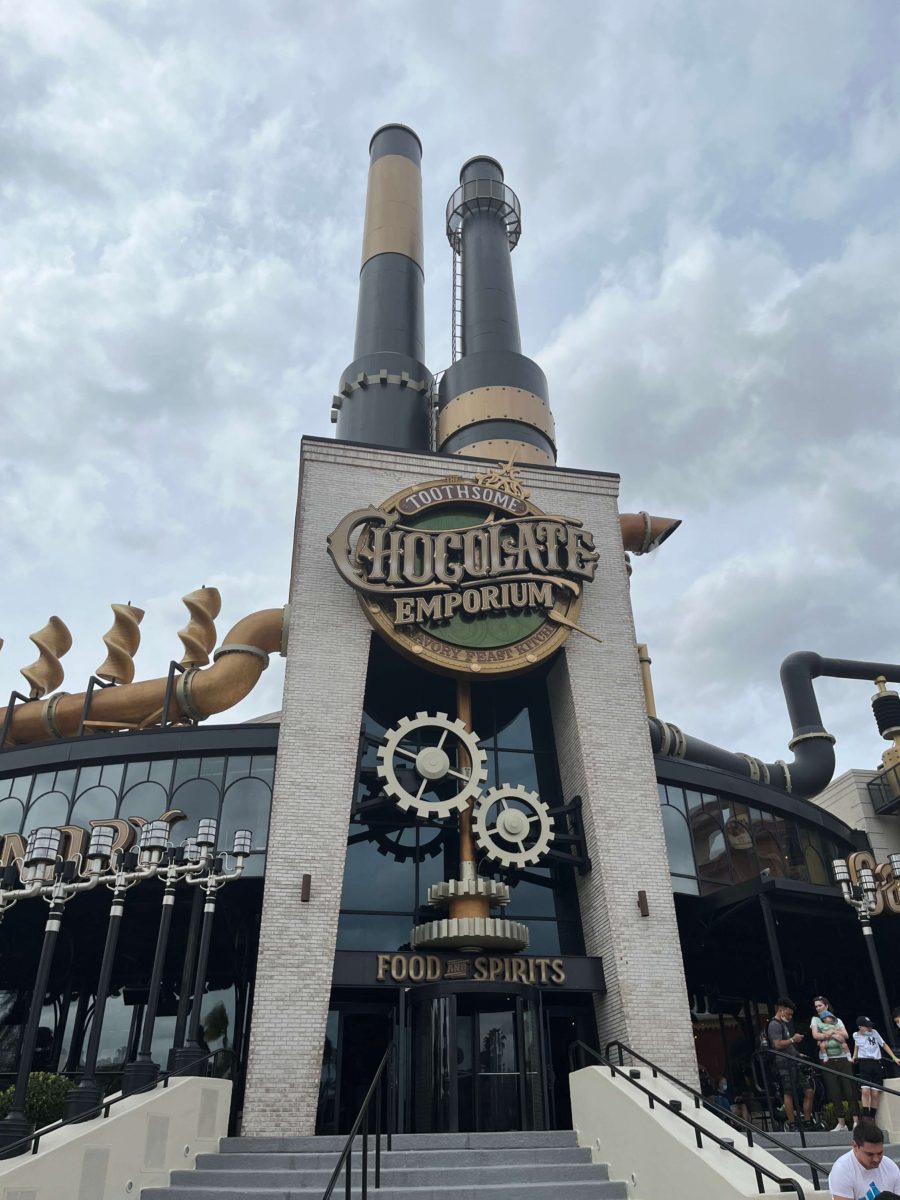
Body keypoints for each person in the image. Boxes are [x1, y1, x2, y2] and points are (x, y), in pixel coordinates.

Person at [767, 997, 815, 1128]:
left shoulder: (782, 1025)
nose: (790, 1016)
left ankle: (806, 1121)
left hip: (792, 1060)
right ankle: (792, 1122)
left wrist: (797, 1054)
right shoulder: (774, 1024)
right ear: (781, 1010)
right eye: (788, 1014)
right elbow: (776, 1044)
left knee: (809, 1091)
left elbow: (787, 1044)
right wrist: (793, 1040)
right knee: (788, 1092)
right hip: (783, 1063)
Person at [810, 1001, 858, 1130]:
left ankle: (856, 1121)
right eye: (816, 1006)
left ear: (826, 1005)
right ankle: (841, 1123)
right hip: (827, 1059)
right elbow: (815, 1035)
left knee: (849, 1089)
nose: (818, 1008)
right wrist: (832, 1034)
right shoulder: (815, 1020)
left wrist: (826, 1036)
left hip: (842, 1056)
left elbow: (845, 1036)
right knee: (834, 1091)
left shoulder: (838, 1020)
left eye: (820, 1005)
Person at [828, 1119, 900, 1200]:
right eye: (870, 1154)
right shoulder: (842, 1170)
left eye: (880, 1153)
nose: (876, 1159)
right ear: (855, 1146)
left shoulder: (890, 1167)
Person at [853, 1016, 900, 1122]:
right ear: (860, 1027)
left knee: (875, 1092)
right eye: (866, 1026)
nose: (869, 1028)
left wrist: (894, 1057)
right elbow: (857, 1045)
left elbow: (883, 1044)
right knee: (865, 1090)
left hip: (876, 1063)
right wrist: (854, 1056)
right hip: (864, 1063)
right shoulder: (856, 1035)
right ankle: (865, 1116)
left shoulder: (874, 1032)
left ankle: (872, 1117)